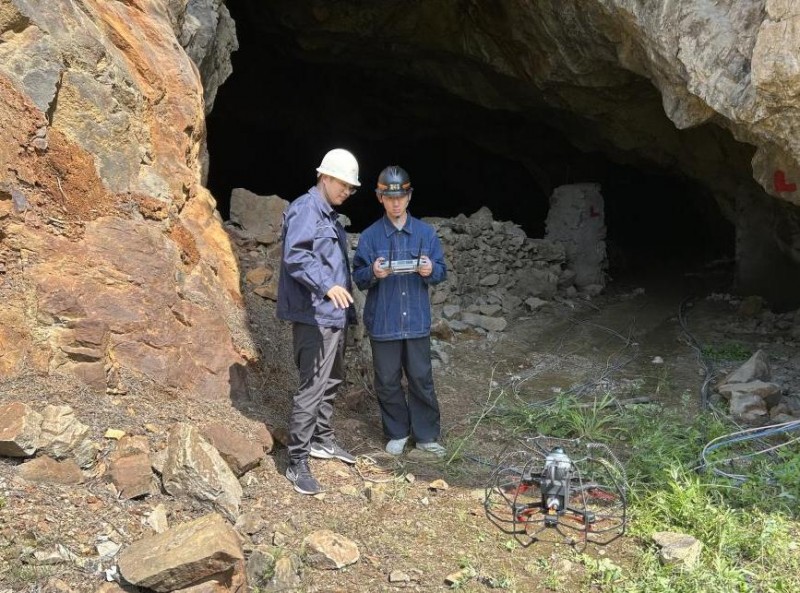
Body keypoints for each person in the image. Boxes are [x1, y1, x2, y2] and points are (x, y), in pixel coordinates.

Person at [277, 148, 360, 495]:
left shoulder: (330, 217)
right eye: (343, 184)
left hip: (333, 315)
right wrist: (326, 287)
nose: (347, 191)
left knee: (332, 379)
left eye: (351, 187)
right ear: (324, 177)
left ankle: (322, 440)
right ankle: (296, 461)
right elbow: (296, 256)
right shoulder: (306, 209)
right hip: (313, 316)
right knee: (312, 386)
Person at [353, 165, 448, 457]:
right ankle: (397, 432)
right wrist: (373, 272)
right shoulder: (370, 236)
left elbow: (441, 271)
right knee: (387, 380)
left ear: (409, 196)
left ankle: (426, 435)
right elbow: (358, 277)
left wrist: (431, 270)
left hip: (416, 320)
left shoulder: (425, 233)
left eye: (401, 197)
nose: (396, 203)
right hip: (384, 321)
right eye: (389, 198)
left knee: (421, 378)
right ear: (379, 197)